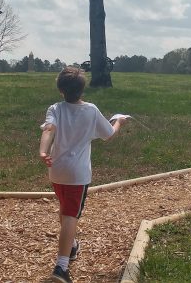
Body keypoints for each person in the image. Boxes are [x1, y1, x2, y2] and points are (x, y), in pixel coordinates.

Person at [39, 66, 126, 283]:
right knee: (70, 215)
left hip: (56, 171)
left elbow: (48, 129)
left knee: (65, 208)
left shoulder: (55, 108)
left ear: (61, 89)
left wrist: (42, 151)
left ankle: (73, 246)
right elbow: (108, 134)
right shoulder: (91, 110)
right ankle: (61, 268)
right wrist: (119, 122)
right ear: (82, 89)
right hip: (77, 175)